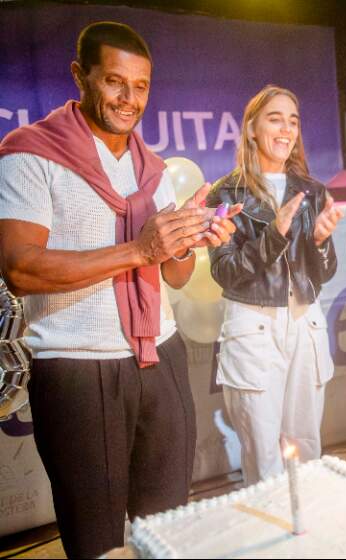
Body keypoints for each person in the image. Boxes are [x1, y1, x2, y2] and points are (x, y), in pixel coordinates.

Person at [0, 22, 239, 558]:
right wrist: (139, 250)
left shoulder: (150, 168)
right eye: (114, 81)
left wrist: (186, 240)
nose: (129, 99)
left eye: (141, 86)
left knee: (167, 532)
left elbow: (172, 274)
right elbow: (19, 267)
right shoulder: (29, 153)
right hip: (78, 368)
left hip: (161, 356)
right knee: (98, 544)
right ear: (80, 76)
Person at [207, 85, 341, 484]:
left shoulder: (312, 191)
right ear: (251, 128)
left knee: (308, 453)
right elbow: (226, 272)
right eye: (275, 118)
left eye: (293, 121)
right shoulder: (226, 193)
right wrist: (275, 235)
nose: (286, 129)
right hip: (253, 328)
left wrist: (319, 244)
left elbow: (324, 272)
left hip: (306, 325)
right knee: (263, 463)